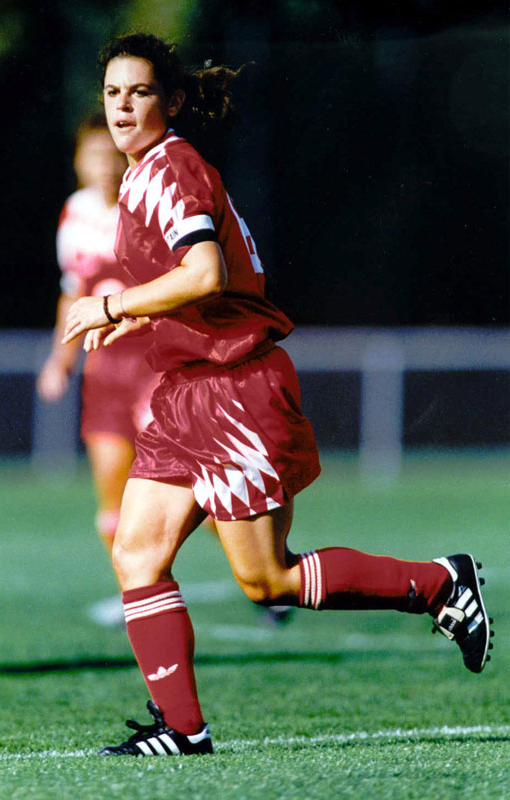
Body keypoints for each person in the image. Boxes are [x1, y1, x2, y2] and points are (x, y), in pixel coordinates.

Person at [61, 33, 493, 757]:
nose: (123, 106)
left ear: (172, 100)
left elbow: (204, 273)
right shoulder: (141, 176)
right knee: (136, 553)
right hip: (187, 391)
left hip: (233, 390)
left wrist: (113, 304)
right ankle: (182, 729)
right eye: (112, 93)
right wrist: (138, 316)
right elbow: (199, 285)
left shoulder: (170, 169)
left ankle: (439, 585)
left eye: (140, 92)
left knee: (267, 579)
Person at [37, 115, 157, 555]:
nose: (104, 165)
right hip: (105, 370)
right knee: (112, 506)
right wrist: (60, 360)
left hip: (157, 366)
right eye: (93, 155)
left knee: (189, 496)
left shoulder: (147, 205)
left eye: (111, 155)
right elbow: (73, 292)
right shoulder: (76, 212)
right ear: (78, 161)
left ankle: (257, 568)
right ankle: (138, 596)